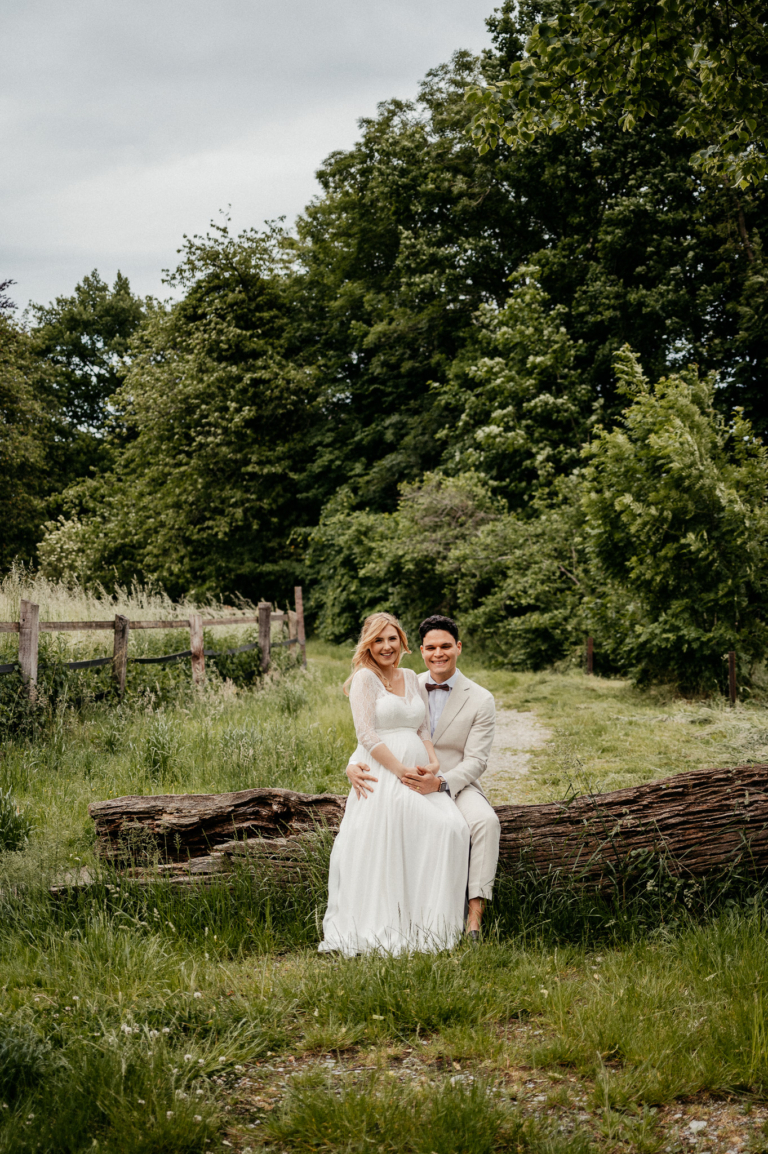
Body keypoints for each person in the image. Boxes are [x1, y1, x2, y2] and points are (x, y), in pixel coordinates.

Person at [319, 612, 470, 956]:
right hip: (384, 776)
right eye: (377, 640)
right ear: (368, 645)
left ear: (402, 641)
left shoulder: (410, 677)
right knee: (419, 830)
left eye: (391, 639)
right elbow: (367, 735)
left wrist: (432, 763)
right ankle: (395, 921)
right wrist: (400, 771)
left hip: (417, 773)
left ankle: (435, 923)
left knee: (454, 830)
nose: (386, 646)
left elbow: (422, 729)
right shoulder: (364, 679)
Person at [346, 614, 499, 940]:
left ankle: (473, 921)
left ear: (458, 647)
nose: (438, 653)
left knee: (485, 822)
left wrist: (441, 781)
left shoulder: (481, 698)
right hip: (407, 778)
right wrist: (350, 764)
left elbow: (476, 761)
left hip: (456, 781)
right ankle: (416, 913)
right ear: (420, 649)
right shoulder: (406, 679)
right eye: (431, 647)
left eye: (446, 646)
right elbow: (371, 728)